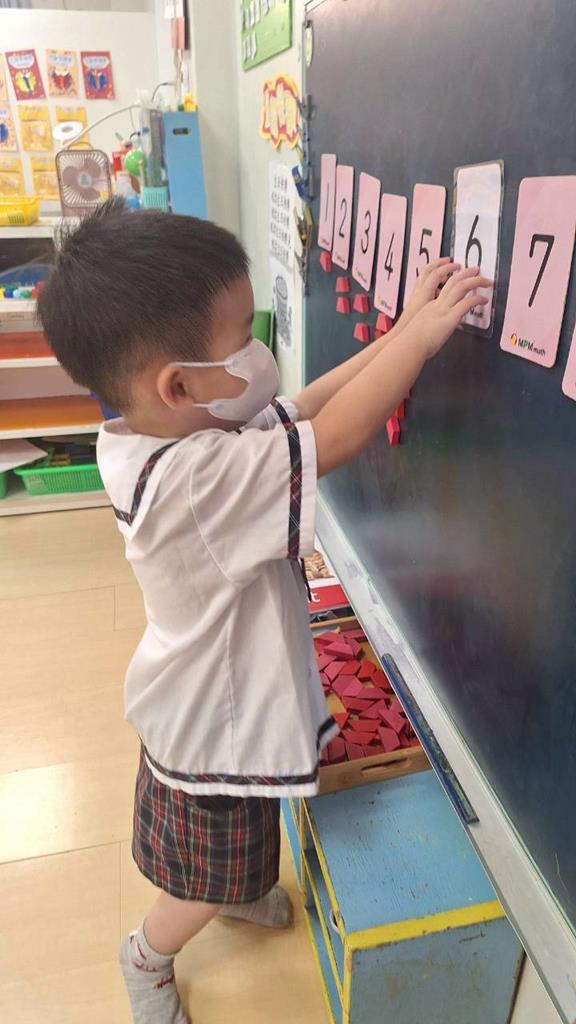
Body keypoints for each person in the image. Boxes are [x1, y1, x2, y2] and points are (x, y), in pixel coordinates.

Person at [37, 199, 488, 1024]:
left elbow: (304, 408)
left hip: (211, 705)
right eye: (243, 334)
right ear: (177, 385)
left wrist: (395, 337)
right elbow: (336, 436)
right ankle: (147, 955)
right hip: (212, 726)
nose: (259, 349)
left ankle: (236, 890)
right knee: (200, 877)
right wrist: (419, 342)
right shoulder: (194, 484)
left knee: (241, 836)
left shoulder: (160, 434)